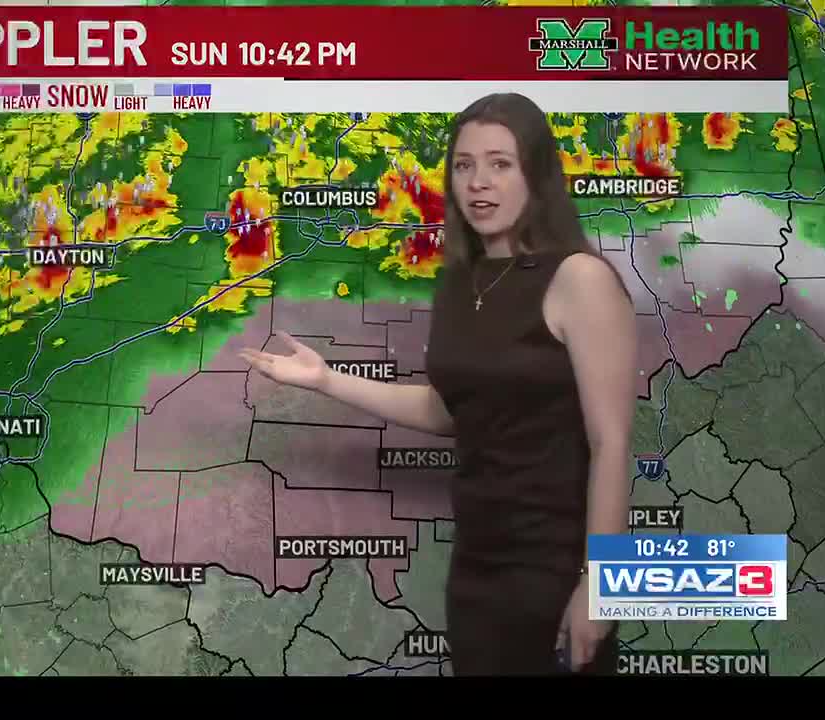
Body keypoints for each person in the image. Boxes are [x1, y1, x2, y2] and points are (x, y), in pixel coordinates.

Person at [239, 93, 636, 676]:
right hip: (476, 570)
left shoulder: (579, 280)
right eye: (464, 165)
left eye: (500, 164)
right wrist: (326, 380)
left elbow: (612, 444)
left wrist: (599, 588)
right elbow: (448, 412)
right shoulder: (458, 284)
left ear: (536, 174)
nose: (479, 182)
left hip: (554, 573)